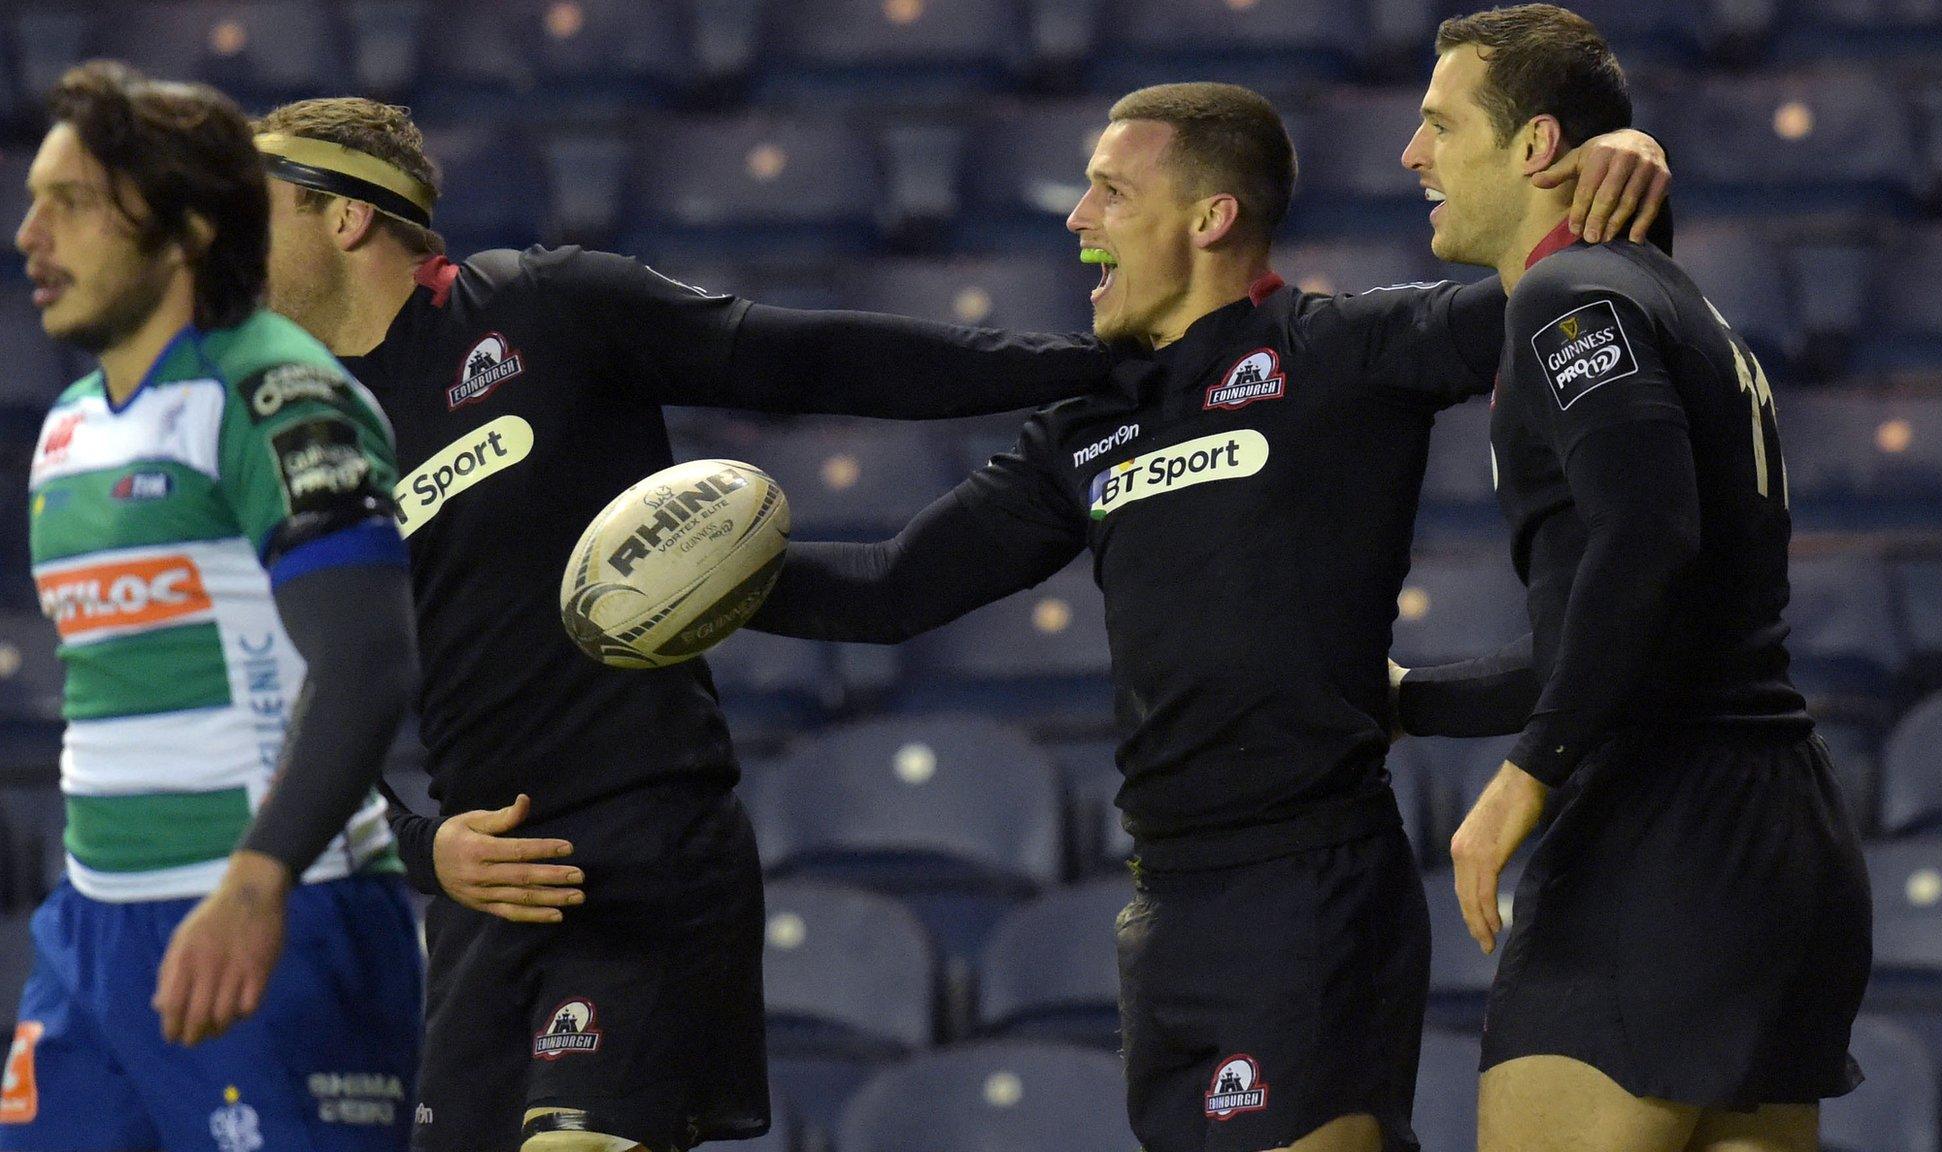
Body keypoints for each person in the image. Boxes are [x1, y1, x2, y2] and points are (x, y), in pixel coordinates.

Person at [744, 82, 1671, 1152]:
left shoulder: (1340, 351)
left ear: (1210, 217)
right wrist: (696, 585)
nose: (1075, 221)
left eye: (1106, 192)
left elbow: (1558, 293)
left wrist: (1631, 168)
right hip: (1164, 915)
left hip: (1310, 890)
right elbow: (892, 588)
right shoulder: (1085, 426)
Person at [250, 95, 1143, 1152]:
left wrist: (1073, 368)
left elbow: (812, 362)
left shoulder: (549, 304)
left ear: (344, 215)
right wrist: (419, 849)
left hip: (647, 833)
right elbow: (284, 702)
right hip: (485, 884)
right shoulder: (295, 439)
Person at [1397, 7, 1872, 1151]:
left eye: (1437, 124)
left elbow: (1643, 541)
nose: (1412, 155)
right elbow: (1625, 627)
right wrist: (1407, 696)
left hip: (1657, 836)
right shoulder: (1672, 302)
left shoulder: (1571, 304)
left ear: (1534, 149)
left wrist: (1524, 777)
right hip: (1777, 836)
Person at [3, 63, 420, 1152]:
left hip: (278, 919)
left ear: (184, 228)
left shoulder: (276, 392)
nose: (29, 235)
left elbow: (370, 660)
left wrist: (255, 881)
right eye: (34, 198)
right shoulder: (70, 427)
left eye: (73, 202)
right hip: (93, 937)